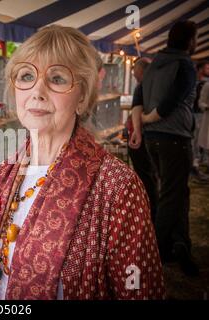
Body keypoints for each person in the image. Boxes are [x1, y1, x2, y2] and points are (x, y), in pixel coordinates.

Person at [0, 26, 165, 300]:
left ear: (82, 97)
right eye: (26, 76)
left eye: (57, 78)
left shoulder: (118, 188)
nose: (37, 91)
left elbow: (142, 293)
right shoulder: (5, 172)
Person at [138, 21, 199, 276]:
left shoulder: (153, 64)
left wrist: (145, 121)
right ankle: (157, 250)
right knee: (171, 196)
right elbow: (172, 101)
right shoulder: (185, 65)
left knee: (176, 193)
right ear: (189, 41)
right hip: (173, 137)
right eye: (195, 39)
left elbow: (139, 95)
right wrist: (154, 116)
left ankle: (180, 244)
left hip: (153, 139)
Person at [127, 58, 157, 222]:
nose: (133, 73)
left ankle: (149, 207)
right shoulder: (149, 86)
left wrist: (137, 127)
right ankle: (149, 206)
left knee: (145, 175)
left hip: (142, 137)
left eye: (135, 70)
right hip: (144, 135)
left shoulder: (144, 86)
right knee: (148, 175)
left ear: (142, 71)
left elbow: (137, 110)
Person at [190, 61, 209, 182]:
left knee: (202, 140)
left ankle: (201, 161)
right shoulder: (194, 82)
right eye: (206, 67)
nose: (208, 69)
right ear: (200, 68)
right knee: (195, 140)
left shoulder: (205, 82)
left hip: (202, 115)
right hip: (195, 114)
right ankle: (194, 165)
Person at [196, 60, 209, 169]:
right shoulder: (205, 85)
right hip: (199, 114)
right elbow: (201, 101)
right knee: (198, 139)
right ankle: (198, 159)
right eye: (206, 68)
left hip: (201, 114)